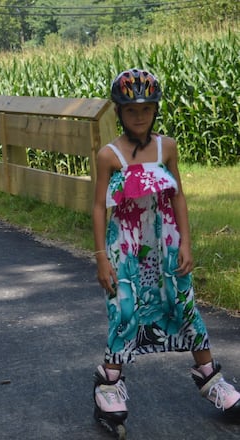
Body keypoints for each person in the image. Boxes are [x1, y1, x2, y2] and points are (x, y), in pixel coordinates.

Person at [91, 68, 240, 437]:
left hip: (166, 242)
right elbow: (98, 207)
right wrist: (101, 257)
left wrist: (187, 242)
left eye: (146, 109)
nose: (138, 116)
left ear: (155, 110)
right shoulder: (108, 155)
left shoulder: (167, 147)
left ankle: (210, 379)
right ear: (119, 112)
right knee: (125, 309)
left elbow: (178, 195)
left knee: (183, 304)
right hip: (125, 246)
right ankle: (109, 383)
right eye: (130, 110)